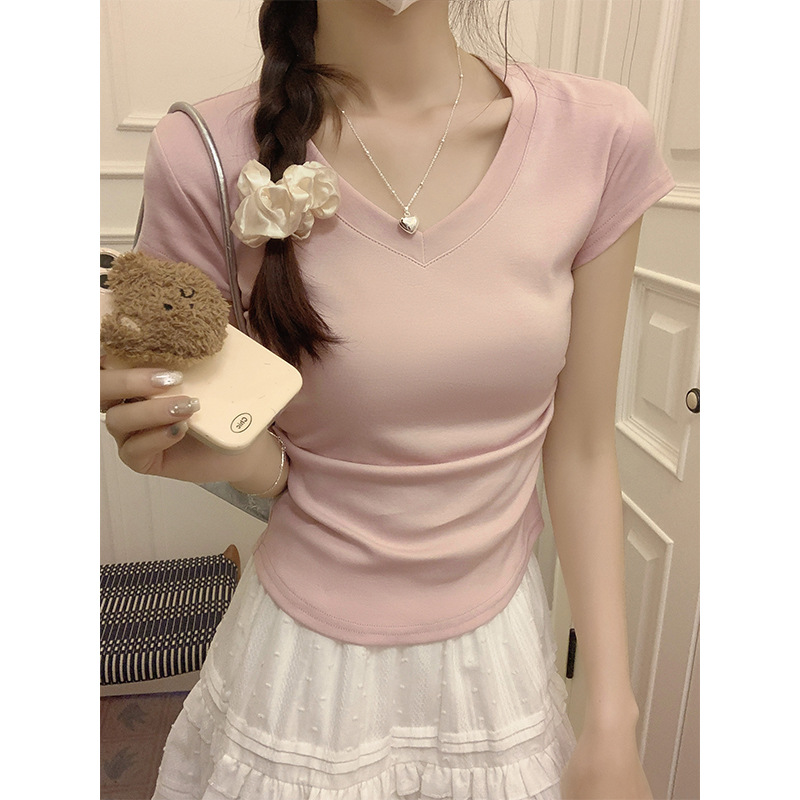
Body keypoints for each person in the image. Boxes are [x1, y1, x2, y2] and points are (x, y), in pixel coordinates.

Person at [100, 0, 675, 797]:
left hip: (497, 662)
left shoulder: (598, 136)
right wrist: (210, 448)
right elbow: (262, 459)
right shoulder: (201, 152)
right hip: (300, 673)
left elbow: (581, 448)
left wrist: (613, 713)